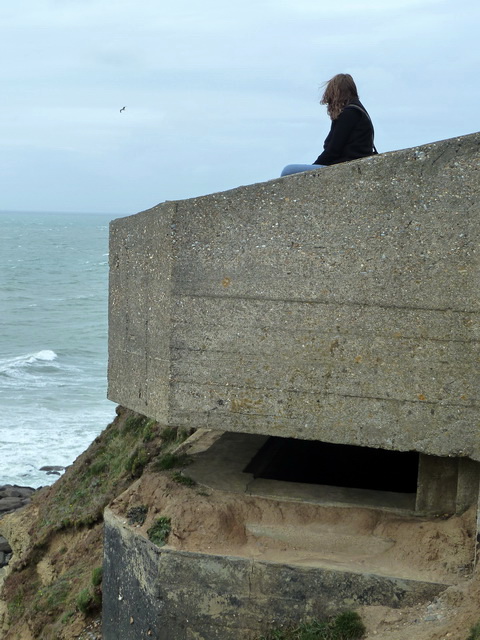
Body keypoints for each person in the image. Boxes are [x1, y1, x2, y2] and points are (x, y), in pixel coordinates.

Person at [281, 73, 377, 177]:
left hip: (345, 167)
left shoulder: (349, 114)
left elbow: (333, 151)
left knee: (288, 170)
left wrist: (311, 172)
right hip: (352, 166)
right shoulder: (359, 111)